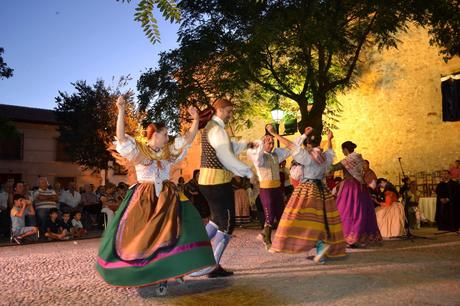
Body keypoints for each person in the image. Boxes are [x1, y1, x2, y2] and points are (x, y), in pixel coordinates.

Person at [96, 95, 215, 292]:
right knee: (147, 237)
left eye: (168, 134)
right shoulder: (140, 150)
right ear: (154, 135)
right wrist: (121, 110)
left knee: (184, 226)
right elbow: (122, 137)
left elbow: (188, 139)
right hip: (145, 197)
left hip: (168, 196)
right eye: (165, 134)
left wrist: (195, 120)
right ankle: (154, 275)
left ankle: (177, 268)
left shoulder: (169, 150)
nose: (168, 137)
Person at [191, 99, 254, 278]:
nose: (231, 115)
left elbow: (228, 147)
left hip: (208, 181)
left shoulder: (211, 127)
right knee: (227, 224)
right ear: (218, 110)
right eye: (228, 111)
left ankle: (193, 252)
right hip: (217, 182)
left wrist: (246, 145)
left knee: (217, 221)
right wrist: (247, 172)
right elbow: (225, 156)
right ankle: (210, 266)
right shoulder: (217, 130)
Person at [267, 126, 346, 264]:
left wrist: (274, 133)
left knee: (298, 218)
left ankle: (307, 244)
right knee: (321, 220)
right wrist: (329, 139)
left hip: (307, 189)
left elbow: (290, 144)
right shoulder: (325, 157)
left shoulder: (307, 156)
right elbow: (330, 152)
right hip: (322, 190)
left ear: (308, 144)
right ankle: (321, 247)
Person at [330, 141, 381, 247]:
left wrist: (325, 161)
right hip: (361, 187)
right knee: (361, 212)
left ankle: (350, 237)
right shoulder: (360, 159)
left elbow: (333, 168)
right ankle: (360, 237)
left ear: (345, 149)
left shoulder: (348, 160)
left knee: (345, 211)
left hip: (350, 188)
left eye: (342, 150)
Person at [247, 133, 290, 250]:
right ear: (263, 144)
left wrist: (304, 136)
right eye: (269, 142)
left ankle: (275, 239)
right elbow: (257, 156)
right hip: (266, 189)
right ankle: (267, 239)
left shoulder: (276, 155)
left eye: (272, 143)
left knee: (281, 215)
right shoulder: (259, 158)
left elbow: (291, 147)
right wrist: (261, 142)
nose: (271, 145)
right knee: (269, 216)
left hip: (277, 189)